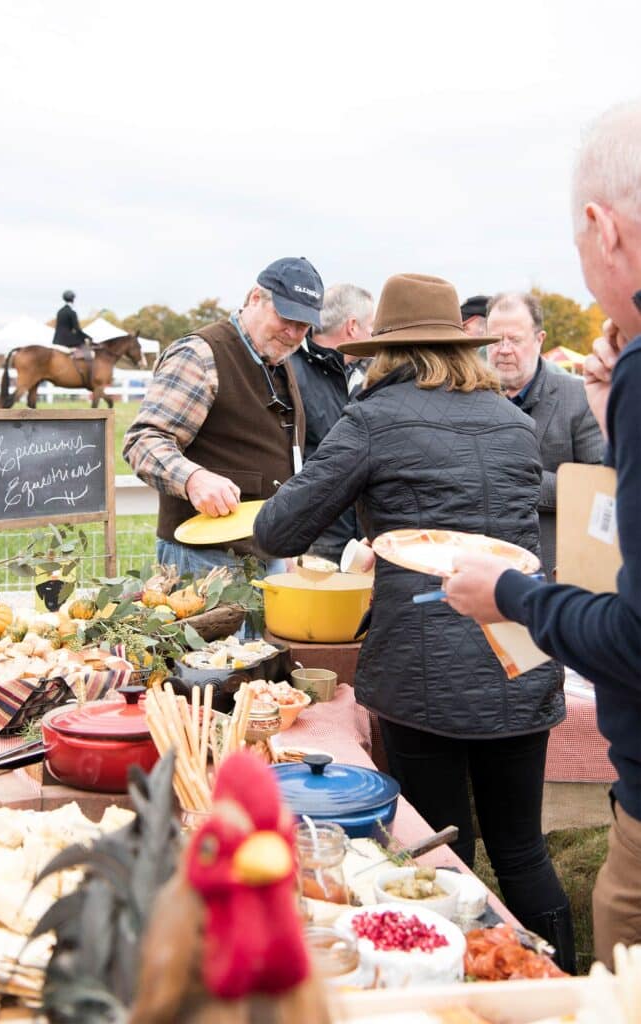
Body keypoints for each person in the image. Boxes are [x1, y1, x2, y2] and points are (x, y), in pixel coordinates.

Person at [254, 273, 576, 972]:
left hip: (423, 670)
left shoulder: (372, 419)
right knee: (521, 847)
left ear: (385, 352)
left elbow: (280, 529)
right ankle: (565, 987)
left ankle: (443, 986)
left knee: (437, 848)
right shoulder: (514, 423)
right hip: (521, 649)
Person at [444, 100, 641, 969]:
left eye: (515, 339)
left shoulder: (588, 390)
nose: (504, 353)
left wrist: (511, 594)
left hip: (554, 602)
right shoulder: (576, 386)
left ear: (602, 229)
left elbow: (633, 629)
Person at [123, 256, 324, 576]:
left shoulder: (277, 359)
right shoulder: (200, 355)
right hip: (203, 557)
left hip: (266, 552)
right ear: (255, 298)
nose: (293, 332)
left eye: (303, 325)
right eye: (285, 317)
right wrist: (192, 479)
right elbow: (143, 441)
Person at [486, 291, 604, 577]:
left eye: (514, 340)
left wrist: (520, 480)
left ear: (540, 340)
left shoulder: (577, 398)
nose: (503, 349)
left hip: (553, 574)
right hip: (485, 572)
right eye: (494, 340)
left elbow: (598, 489)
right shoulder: (468, 399)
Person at [290, 283, 374, 563]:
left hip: (364, 541)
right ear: (352, 327)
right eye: (371, 325)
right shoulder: (291, 374)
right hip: (318, 543)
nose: (375, 334)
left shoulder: (373, 373)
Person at [53, 290, 92, 356]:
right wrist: (87, 337)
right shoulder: (72, 312)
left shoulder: (60, 311)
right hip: (67, 340)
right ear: (73, 299)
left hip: (56, 339)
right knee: (86, 350)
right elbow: (77, 330)